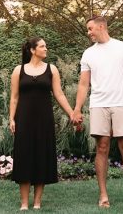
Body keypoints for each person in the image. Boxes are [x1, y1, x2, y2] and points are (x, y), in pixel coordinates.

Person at [71, 16, 123, 208]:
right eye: (88, 29)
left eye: (90, 28)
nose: (89, 32)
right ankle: (103, 195)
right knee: (102, 148)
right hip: (98, 104)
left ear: (101, 27)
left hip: (122, 104)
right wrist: (77, 109)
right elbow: (84, 84)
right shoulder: (88, 54)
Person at [9, 37, 77, 211]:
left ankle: (37, 202)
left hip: (44, 121)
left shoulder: (51, 69)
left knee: (41, 156)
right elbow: (14, 97)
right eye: (42, 46)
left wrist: (71, 113)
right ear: (33, 50)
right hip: (24, 120)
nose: (46, 49)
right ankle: (24, 203)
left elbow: (59, 94)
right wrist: (11, 118)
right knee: (24, 156)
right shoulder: (19, 70)